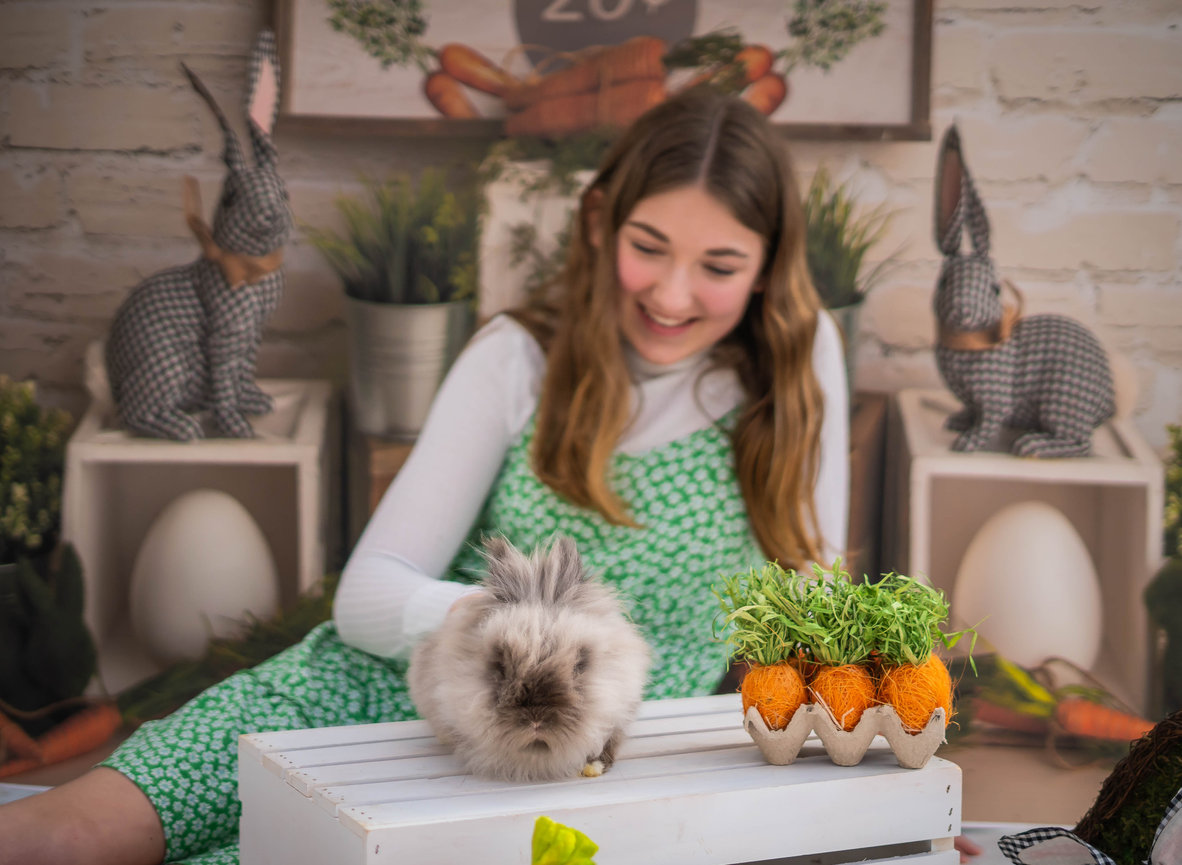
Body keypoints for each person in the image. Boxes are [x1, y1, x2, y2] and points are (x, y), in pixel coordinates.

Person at [0, 87, 850, 865]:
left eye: (719, 266)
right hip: (361, 696)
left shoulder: (799, 365)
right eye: (648, 247)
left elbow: (816, 603)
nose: (671, 294)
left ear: (768, 265)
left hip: (564, 767)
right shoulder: (519, 357)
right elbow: (368, 594)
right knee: (65, 837)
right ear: (601, 223)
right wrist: (508, 632)